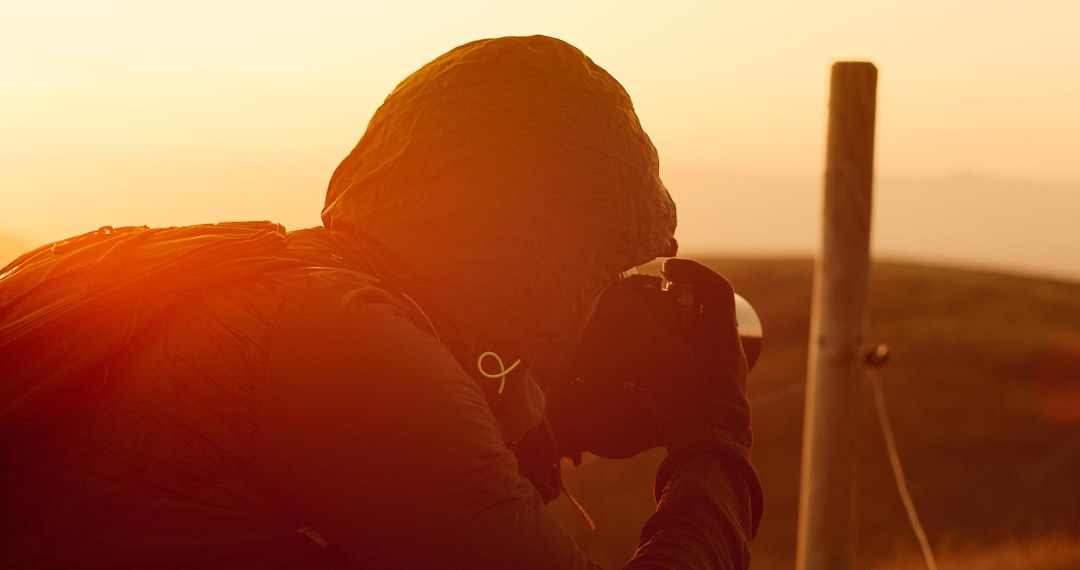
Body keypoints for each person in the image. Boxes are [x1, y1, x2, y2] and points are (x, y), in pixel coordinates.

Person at [0, 35, 762, 568]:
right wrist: (712, 435)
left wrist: (540, 418)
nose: (600, 306)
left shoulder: (289, 281)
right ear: (536, 248)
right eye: (602, 274)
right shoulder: (353, 347)